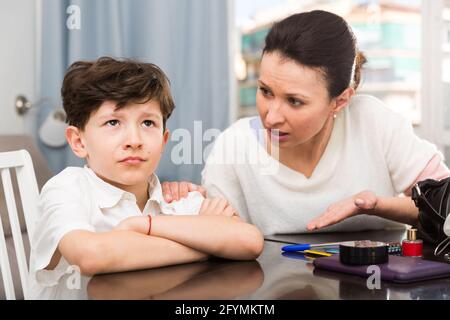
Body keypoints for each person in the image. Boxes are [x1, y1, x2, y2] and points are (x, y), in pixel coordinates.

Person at [162, 10, 450, 235]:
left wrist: (375, 205)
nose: (271, 117)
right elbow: (215, 235)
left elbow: (444, 206)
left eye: (294, 101)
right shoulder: (234, 145)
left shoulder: (373, 121)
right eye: (265, 92)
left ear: (340, 100)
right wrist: (186, 203)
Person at [29, 57, 264, 287]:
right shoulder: (66, 189)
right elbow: (91, 256)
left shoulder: (175, 199)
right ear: (79, 141)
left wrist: (142, 225)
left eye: (148, 123)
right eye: (113, 123)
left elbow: (250, 242)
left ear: (163, 141)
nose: (134, 140)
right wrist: (208, 243)